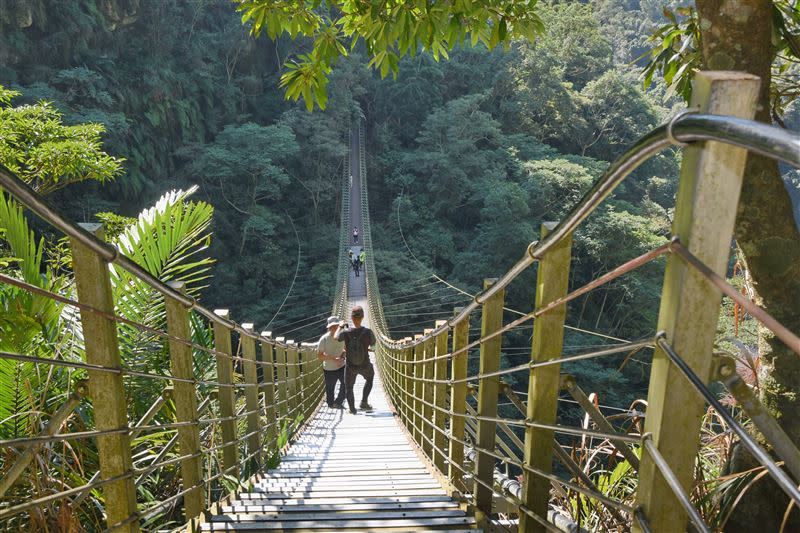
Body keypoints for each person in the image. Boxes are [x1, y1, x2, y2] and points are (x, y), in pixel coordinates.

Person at [335, 306, 376, 414]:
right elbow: (373, 347)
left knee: (349, 386)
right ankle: (364, 402)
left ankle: (352, 409)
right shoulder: (368, 332)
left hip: (350, 366)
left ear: (351, 318)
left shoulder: (346, 331)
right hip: (365, 364)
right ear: (363, 317)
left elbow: (335, 337)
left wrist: (340, 326)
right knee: (370, 379)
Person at [317, 316, 346, 409]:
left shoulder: (343, 336)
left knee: (347, 383)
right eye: (332, 327)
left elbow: (345, 349)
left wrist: (342, 357)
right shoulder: (324, 339)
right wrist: (334, 359)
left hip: (342, 366)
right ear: (328, 328)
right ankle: (331, 403)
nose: (334, 328)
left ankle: (338, 402)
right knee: (330, 388)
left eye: (336, 326)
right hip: (329, 368)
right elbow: (319, 355)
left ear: (339, 326)